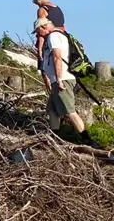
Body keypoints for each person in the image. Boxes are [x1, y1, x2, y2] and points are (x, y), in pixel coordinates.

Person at [34, 17, 95, 145]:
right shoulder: (57, 35)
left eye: (38, 32)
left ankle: (87, 139)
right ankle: (54, 137)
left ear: (43, 27)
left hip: (63, 79)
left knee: (69, 111)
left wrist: (59, 79)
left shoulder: (53, 37)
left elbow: (57, 57)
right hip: (58, 80)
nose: (38, 35)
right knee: (53, 110)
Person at [31, 0, 66, 68]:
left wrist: (39, 49)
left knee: (44, 69)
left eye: (34, 0)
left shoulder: (42, 10)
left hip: (49, 40)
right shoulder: (57, 8)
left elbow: (41, 30)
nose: (34, 2)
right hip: (62, 38)